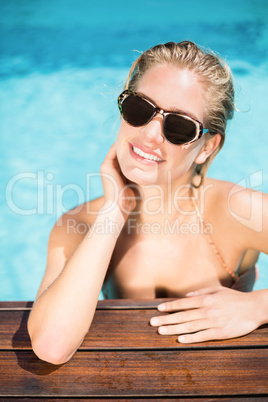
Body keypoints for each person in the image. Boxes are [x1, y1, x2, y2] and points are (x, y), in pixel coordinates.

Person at [27, 41, 268, 365]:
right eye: (140, 109)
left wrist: (257, 307)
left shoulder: (237, 211)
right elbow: (52, 345)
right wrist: (113, 211)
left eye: (179, 126)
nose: (151, 134)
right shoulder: (81, 224)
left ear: (208, 146)